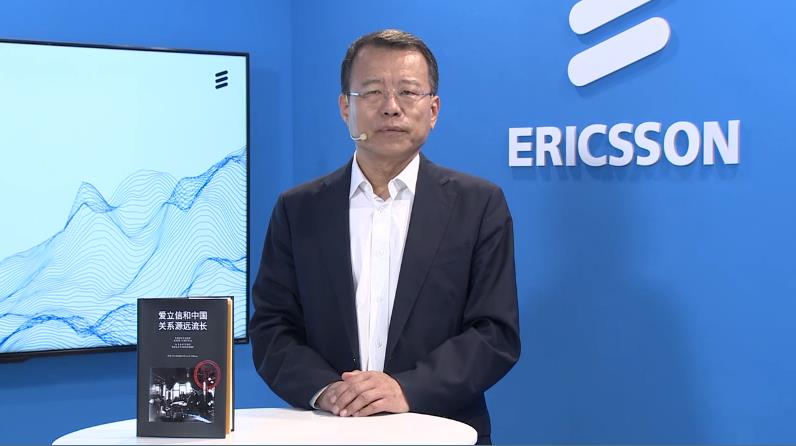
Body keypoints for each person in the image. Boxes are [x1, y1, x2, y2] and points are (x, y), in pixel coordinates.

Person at [250, 29, 520, 444]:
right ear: (345, 107)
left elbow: (495, 333)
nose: (392, 107)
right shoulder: (298, 209)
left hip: (441, 430)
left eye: (408, 92)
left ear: (433, 109)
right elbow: (272, 327)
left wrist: (405, 389)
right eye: (373, 92)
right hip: (328, 430)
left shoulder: (479, 205)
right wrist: (327, 390)